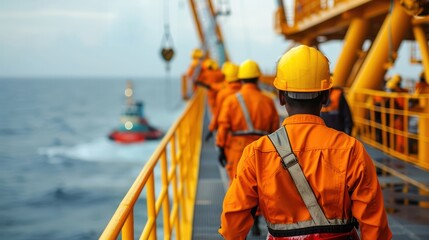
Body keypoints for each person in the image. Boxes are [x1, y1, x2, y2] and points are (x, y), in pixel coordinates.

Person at [219, 45, 392, 239]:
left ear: (281, 97)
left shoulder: (257, 153)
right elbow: (375, 227)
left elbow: (232, 228)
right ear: (326, 96)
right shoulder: (351, 150)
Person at [216, 59, 279, 236]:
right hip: (262, 148)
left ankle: (237, 226)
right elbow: (275, 128)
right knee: (262, 185)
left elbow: (224, 125)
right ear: (258, 78)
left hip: (237, 148)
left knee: (238, 186)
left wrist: (221, 146)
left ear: (241, 79)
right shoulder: (267, 101)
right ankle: (257, 220)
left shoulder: (231, 100)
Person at [205, 62, 241, 141]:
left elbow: (219, 117)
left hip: (230, 138)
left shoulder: (223, 94)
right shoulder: (246, 92)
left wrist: (211, 129)